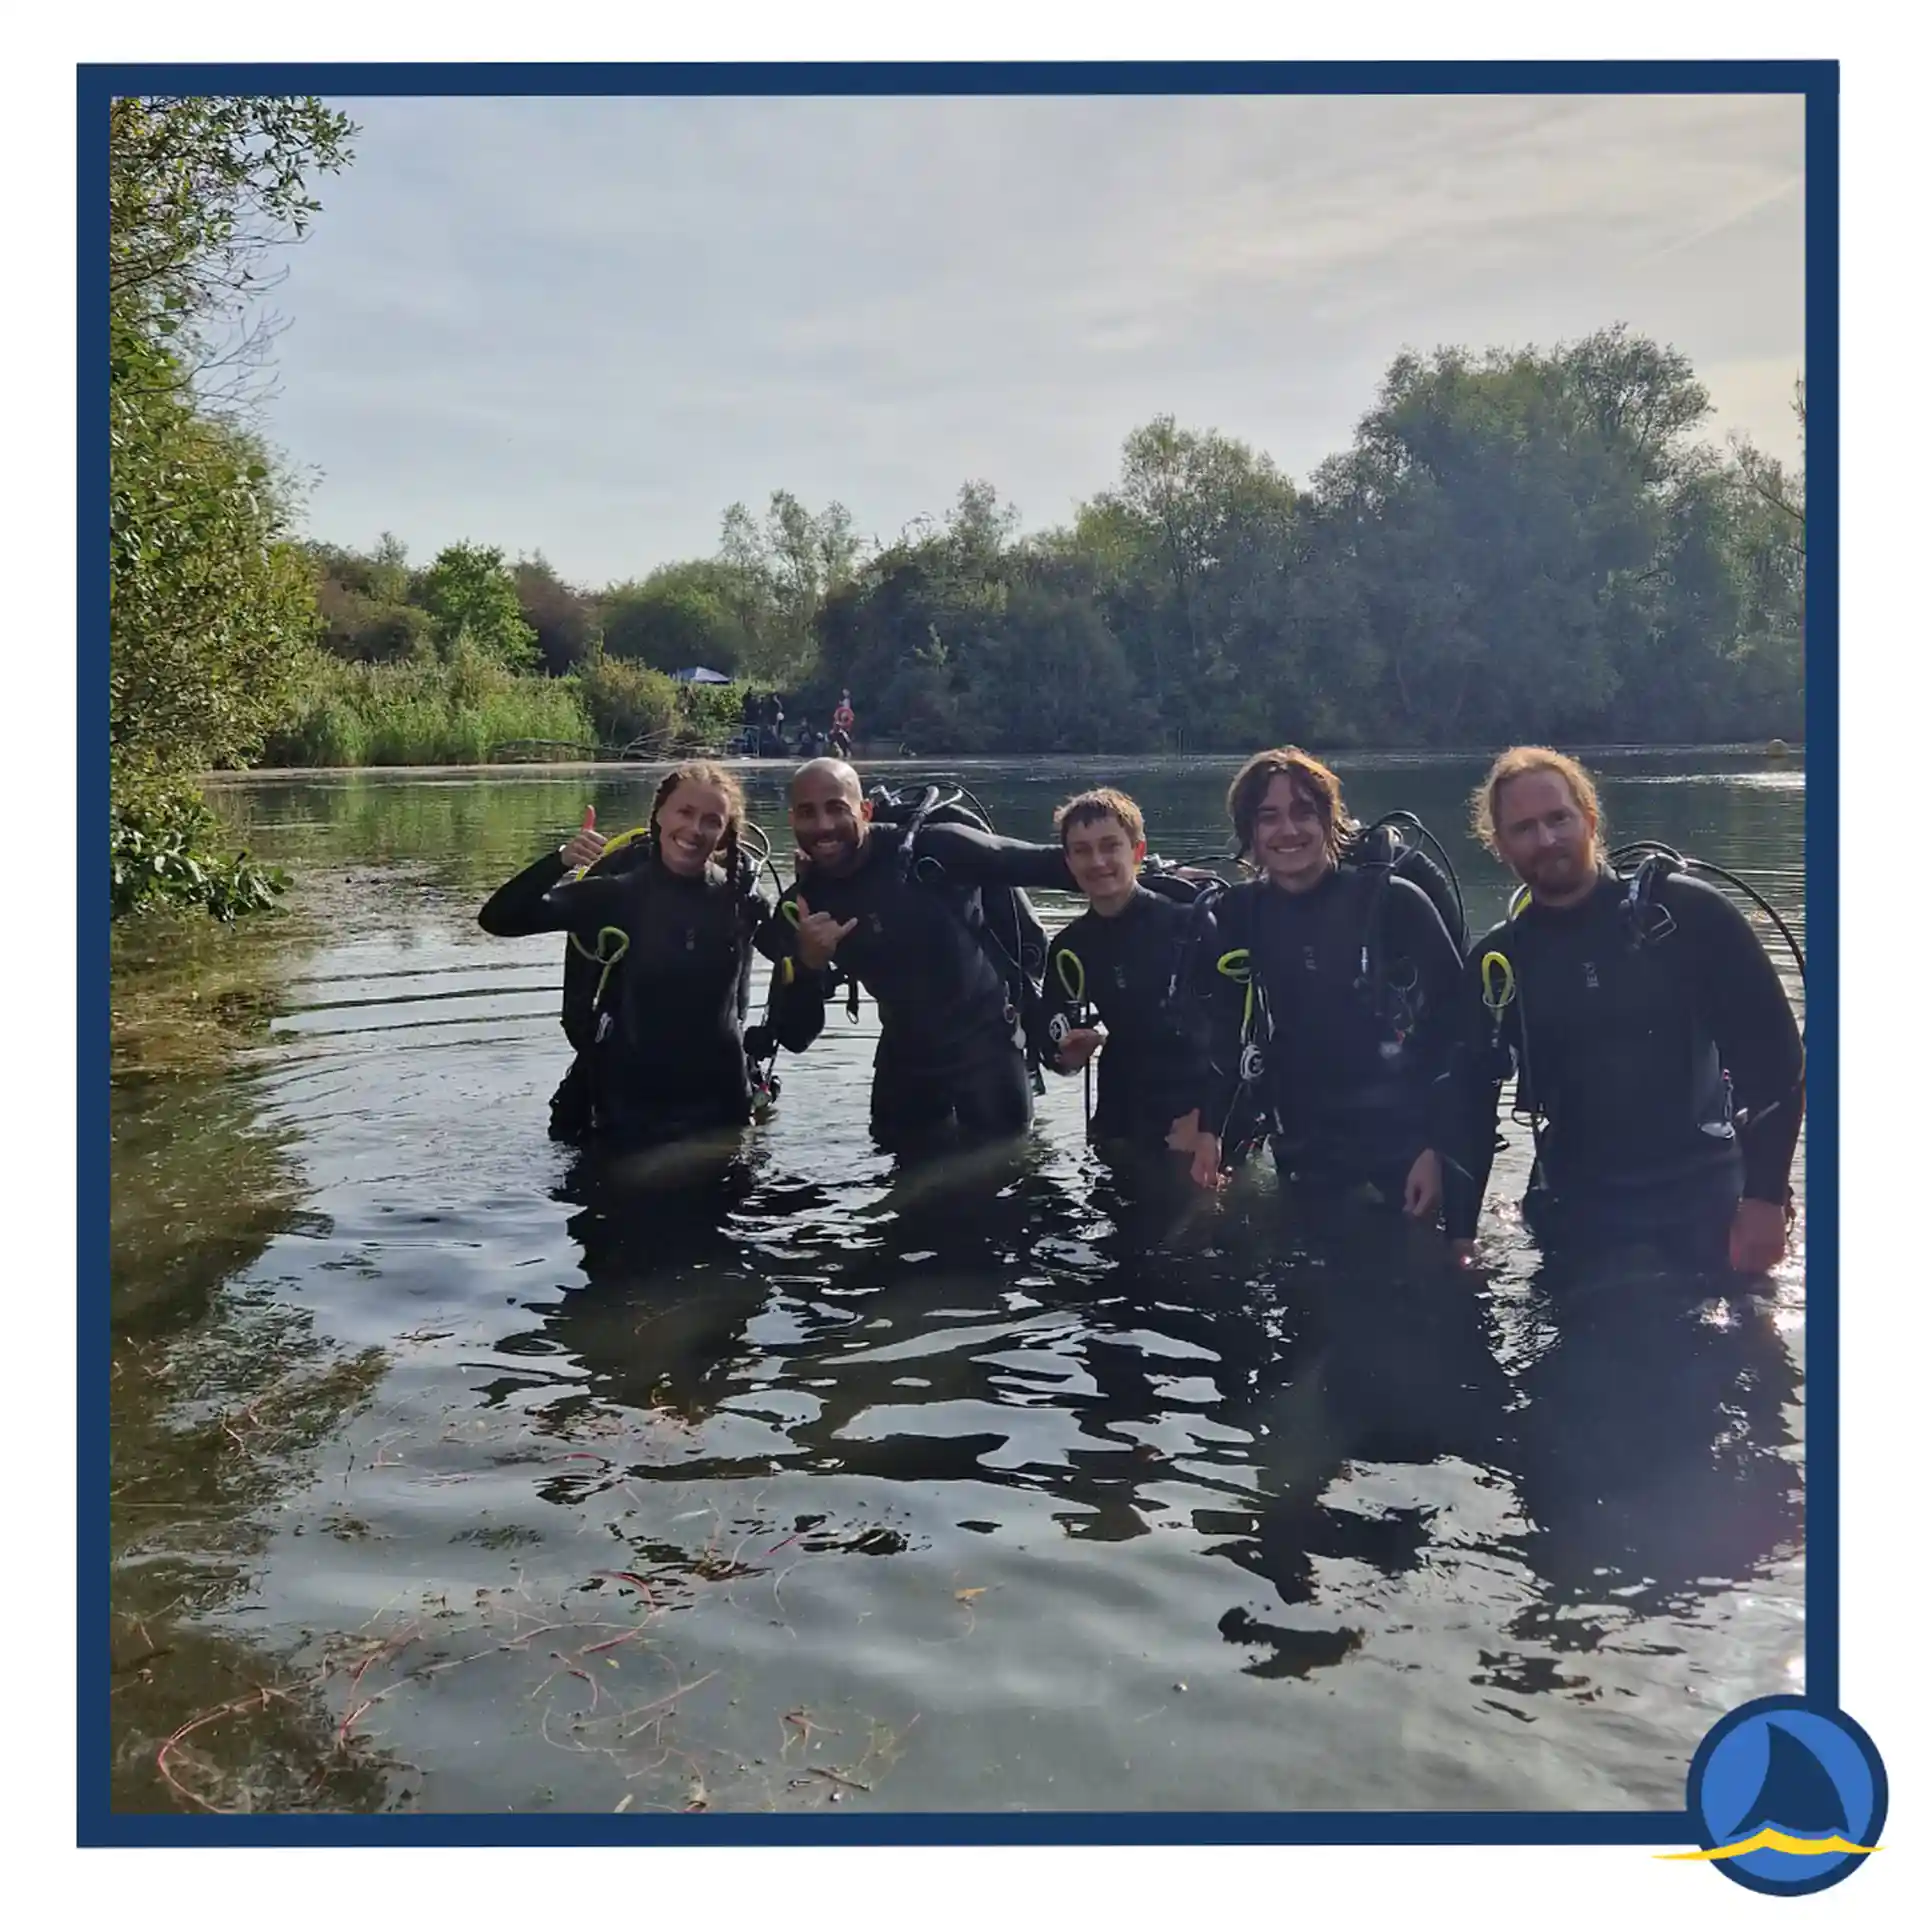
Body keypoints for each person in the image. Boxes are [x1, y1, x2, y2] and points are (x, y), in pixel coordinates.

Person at [1441, 746, 1804, 1274]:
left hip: (1705, 1201)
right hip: (1577, 1211)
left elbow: (1776, 1061)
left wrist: (1766, 1199)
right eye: (1523, 828)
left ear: (1590, 819)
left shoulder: (1685, 915)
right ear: (1499, 845)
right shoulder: (1501, 961)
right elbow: (1470, 1101)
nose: (1546, 839)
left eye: (1558, 818)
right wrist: (1460, 1237)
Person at [1189, 748, 1466, 1228]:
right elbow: (1227, 1028)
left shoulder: (1392, 901)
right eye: (1269, 817)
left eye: (1304, 812)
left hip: (1402, 1143)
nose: (1288, 830)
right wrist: (1210, 1130)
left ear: (1330, 820)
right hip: (1303, 1142)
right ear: (1249, 832)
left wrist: (1437, 1147)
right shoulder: (1240, 914)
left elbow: (1460, 1029)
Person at [764, 759, 1085, 1149]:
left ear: (865, 810)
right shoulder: (803, 905)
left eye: (836, 808)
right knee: (901, 1171)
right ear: (792, 820)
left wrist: (1136, 875)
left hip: (985, 1049)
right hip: (905, 1057)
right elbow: (795, 1036)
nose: (823, 825)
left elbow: (1048, 864)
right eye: (807, 813)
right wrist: (808, 963)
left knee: (1004, 1171)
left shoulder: (935, 851)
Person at [477, 762, 777, 1145]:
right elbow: (499, 919)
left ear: (723, 834)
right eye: (685, 812)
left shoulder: (743, 901)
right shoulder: (617, 895)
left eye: (711, 821)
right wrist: (560, 860)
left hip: (722, 1109)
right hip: (633, 1112)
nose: (695, 829)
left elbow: (794, 958)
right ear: (659, 814)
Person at [1037, 788, 1218, 1161]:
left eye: (1110, 846)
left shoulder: (1189, 926)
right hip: (1119, 1112)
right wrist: (1069, 1055)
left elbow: (1239, 1035)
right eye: (1082, 850)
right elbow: (1053, 1048)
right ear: (1068, 861)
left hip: (1194, 1111)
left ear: (1137, 851)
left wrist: (1209, 1122)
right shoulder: (1071, 946)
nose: (1097, 861)